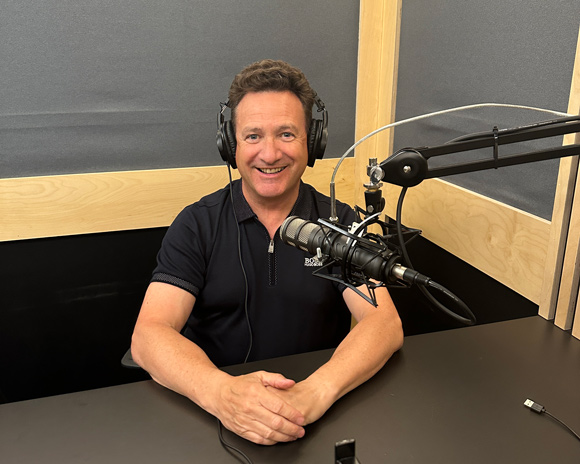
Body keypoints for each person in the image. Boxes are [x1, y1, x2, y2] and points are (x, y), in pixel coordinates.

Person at [131, 59, 403, 446]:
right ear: (232, 144)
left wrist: (316, 391)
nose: (270, 153)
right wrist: (222, 394)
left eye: (287, 134)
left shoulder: (339, 222)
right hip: (212, 419)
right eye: (254, 135)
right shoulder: (197, 224)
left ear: (313, 141)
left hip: (313, 418)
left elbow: (384, 323)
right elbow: (149, 334)